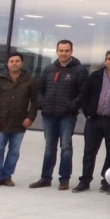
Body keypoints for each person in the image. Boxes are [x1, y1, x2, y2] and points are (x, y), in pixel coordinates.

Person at [31, 39, 89, 190]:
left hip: (67, 116)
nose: (63, 53)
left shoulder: (79, 70)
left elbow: (84, 93)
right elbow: (39, 89)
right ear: (57, 51)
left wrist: (72, 106)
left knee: (66, 147)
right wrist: (42, 103)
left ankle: (64, 179)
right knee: (49, 146)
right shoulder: (49, 68)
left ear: (71, 51)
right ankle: (45, 178)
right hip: (48, 114)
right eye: (61, 50)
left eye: (67, 50)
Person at [75, 49, 110, 193]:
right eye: (109, 58)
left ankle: (107, 181)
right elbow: (85, 96)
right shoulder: (95, 76)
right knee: (89, 152)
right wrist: (88, 114)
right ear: (105, 61)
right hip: (94, 120)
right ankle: (85, 181)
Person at [0, 51, 37, 187]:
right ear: (7, 64)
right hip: (0, 122)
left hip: (20, 122)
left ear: (22, 63)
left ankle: (7, 176)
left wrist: (30, 118)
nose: (14, 63)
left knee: (14, 151)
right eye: (11, 61)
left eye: (17, 61)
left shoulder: (29, 80)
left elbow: (35, 101)